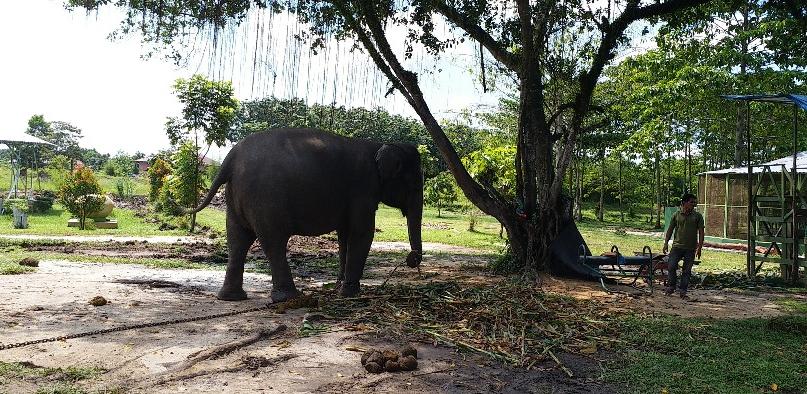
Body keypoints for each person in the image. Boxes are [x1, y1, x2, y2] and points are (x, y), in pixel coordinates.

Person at [662, 193, 704, 299]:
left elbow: (701, 232)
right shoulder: (676, 215)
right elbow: (670, 230)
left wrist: (699, 248)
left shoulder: (697, 216)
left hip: (690, 248)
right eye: (691, 202)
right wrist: (666, 243)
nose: (693, 204)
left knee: (687, 270)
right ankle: (671, 287)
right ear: (684, 203)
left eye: (695, 202)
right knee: (671, 266)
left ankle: (683, 291)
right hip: (677, 247)